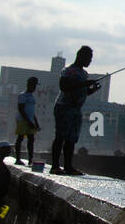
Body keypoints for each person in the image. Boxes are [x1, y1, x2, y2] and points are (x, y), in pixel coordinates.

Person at [50, 46, 103, 175]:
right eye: (89, 58)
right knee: (60, 137)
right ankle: (55, 166)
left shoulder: (84, 74)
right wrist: (84, 84)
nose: (90, 61)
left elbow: (82, 92)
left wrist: (92, 89)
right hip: (64, 107)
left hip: (76, 109)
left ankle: (68, 167)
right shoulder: (69, 70)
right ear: (81, 56)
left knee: (71, 139)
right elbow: (64, 87)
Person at [14, 76, 40, 165]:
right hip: (22, 120)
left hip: (30, 121)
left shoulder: (32, 97)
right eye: (33, 85)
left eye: (35, 86)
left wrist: (36, 122)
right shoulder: (22, 95)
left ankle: (30, 159)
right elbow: (21, 110)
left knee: (31, 139)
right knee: (20, 138)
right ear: (29, 85)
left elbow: (32, 111)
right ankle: (17, 159)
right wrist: (29, 122)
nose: (35, 88)